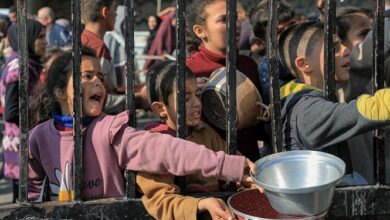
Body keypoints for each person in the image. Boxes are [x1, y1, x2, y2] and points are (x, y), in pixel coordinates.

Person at [27, 47, 255, 202]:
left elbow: (169, 151)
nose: (97, 81)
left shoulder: (111, 130)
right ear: (59, 91)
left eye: (101, 77)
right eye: (87, 76)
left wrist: (230, 165)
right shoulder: (38, 137)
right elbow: (33, 193)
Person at [278, 21, 390, 184]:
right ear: (304, 64)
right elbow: (365, 111)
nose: (346, 50)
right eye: (334, 48)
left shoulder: (306, 100)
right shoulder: (305, 110)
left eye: (342, 44)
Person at [137, 60, 235, 220]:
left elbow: (232, 166)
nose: (197, 103)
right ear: (160, 108)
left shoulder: (204, 132)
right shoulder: (152, 144)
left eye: (197, 94)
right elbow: (162, 202)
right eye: (185, 98)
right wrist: (200, 205)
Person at [186, 0, 270, 161]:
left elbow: (260, 127)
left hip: (251, 171)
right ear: (200, 31)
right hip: (207, 173)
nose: (235, 24)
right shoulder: (188, 71)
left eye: (236, 17)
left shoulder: (249, 65)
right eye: (224, 20)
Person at [0, 19, 46, 202]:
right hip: (22, 146)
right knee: (24, 204)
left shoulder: (26, 63)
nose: (45, 42)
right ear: (26, 38)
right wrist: (41, 114)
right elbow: (11, 112)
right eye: (39, 37)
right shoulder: (20, 67)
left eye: (45, 36)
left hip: (23, 145)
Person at [80, 0, 128, 114]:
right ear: (105, 12)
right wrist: (135, 99)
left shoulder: (81, 40)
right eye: (114, 9)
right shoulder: (97, 46)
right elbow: (96, 96)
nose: (116, 14)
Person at [249, 0, 296, 105]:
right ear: (261, 42)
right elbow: (282, 103)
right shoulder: (267, 68)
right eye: (279, 31)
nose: (289, 33)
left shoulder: (304, 51)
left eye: (292, 25)